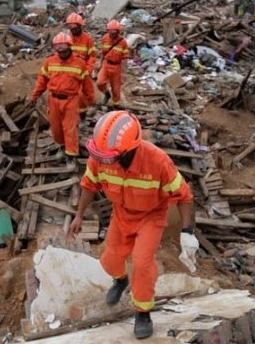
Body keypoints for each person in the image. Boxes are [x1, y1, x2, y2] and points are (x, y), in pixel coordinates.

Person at [69, 110, 195, 339]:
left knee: (142, 263)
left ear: (129, 150)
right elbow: (89, 185)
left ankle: (143, 312)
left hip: (151, 216)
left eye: (108, 157)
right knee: (110, 259)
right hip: (122, 215)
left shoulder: (157, 161)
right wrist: (79, 215)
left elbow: (184, 196)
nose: (103, 161)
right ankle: (120, 280)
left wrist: (187, 232)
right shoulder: (101, 157)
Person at [30, 32, 94, 162]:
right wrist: (34, 96)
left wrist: (91, 99)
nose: (62, 53)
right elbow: (42, 81)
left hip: (71, 100)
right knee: (56, 128)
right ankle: (62, 146)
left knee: (70, 128)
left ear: (70, 47)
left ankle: (71, 155)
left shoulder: (79, 63)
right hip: (53, 99)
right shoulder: (49, 62)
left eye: (64, 50)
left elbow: (87, 84)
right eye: (59, 50)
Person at [65, 12, 97, 114]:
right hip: (71, 71)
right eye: (71, 28)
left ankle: (88, 109)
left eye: (75, 28)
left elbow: (92, 56)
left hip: (84, 70)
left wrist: (88, 69)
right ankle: (77, 113)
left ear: (80, 26)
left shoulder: (88, 39)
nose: (73, 30)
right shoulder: (67, 39)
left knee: (86, 92)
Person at [97, 20, 129, 107]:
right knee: (100, 83)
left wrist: (124, 73)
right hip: (106, 64)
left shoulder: (123, 42)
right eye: (110, 31)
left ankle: (116, 106)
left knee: (116, 89)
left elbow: (125, 58)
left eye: (114, 31)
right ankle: (106, 94)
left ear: (118, 31)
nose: (112, 33)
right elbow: (103, 53)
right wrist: (100, 64)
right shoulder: (105, 38)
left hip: (116, 67)